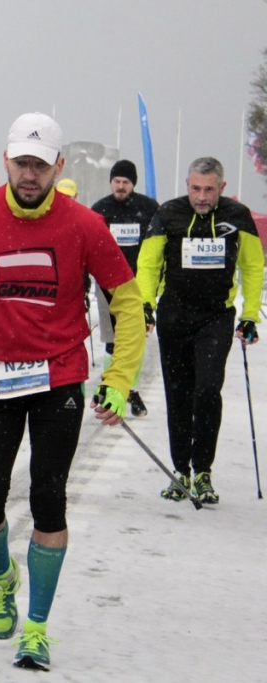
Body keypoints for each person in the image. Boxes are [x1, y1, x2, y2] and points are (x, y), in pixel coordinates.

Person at [0, 112, 144, 670]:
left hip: (57, 376)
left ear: (58, 166)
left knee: (48, 498)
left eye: (39, 164)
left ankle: (36, 628)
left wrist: (119, 379)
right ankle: (2, 575)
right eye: (21, 163)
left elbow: (127, 303)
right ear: (6, 162)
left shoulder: (84, 224)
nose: (29, 174)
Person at [136, 156, 264, 504]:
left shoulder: (238, 216)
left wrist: (250, 315)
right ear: (187, 185)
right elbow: (148, 264)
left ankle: (203, 471)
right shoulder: (169, 213)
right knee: (178, 393)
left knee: (207, 390)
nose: (202, 197)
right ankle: (181, 471)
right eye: (196, 189)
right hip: (174, 315)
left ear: (222, 187)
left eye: (209, 190)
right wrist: (145, 303)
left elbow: (253, 267)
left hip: (215, 317)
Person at [91, 160, 160, 417]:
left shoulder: (149, 209)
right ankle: (111, 388)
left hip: (137, 285)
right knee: (112, 341)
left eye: (126, 182)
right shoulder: (100, 209)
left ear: (133, 184)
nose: (121, 186)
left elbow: (158, 247)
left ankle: (131, 389)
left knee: (134, 339)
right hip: (107, 286)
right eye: (117, 181)